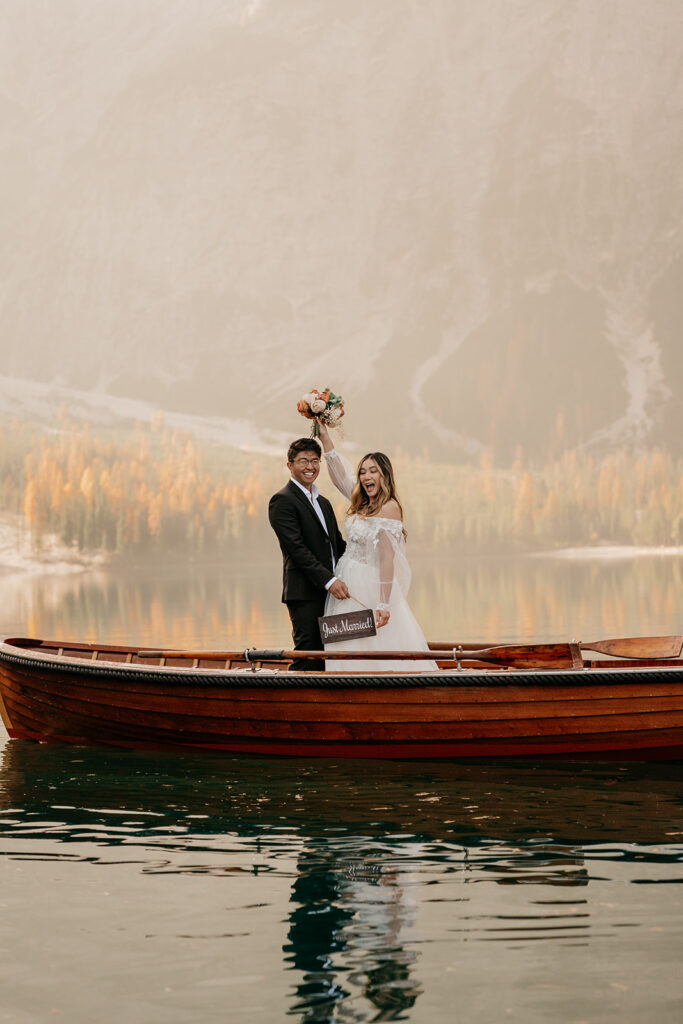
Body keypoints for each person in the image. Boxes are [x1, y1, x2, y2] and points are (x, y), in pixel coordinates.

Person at [317, 421, 438, 672]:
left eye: (373, 471)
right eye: (362, 471)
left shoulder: (389, 508)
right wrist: (325, 437)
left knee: (373, 643)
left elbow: (386, 559)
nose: (366, 476)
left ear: (384, 475)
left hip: (370, 585)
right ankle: (346, 693)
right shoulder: (360, 500)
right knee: (343, 642)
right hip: (345, 580)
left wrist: (383, 603)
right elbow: (338, 473)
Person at [268, 437, 350, 671]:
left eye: (315, 461)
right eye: (303, 461)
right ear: (290, 465)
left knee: (332, 656)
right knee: (308, 656)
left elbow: (337, 545)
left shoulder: (323, 503)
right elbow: (296, 549)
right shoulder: (282, 501)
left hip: (333, 594)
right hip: (304, 594)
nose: (310, 466)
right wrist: (329, 580)